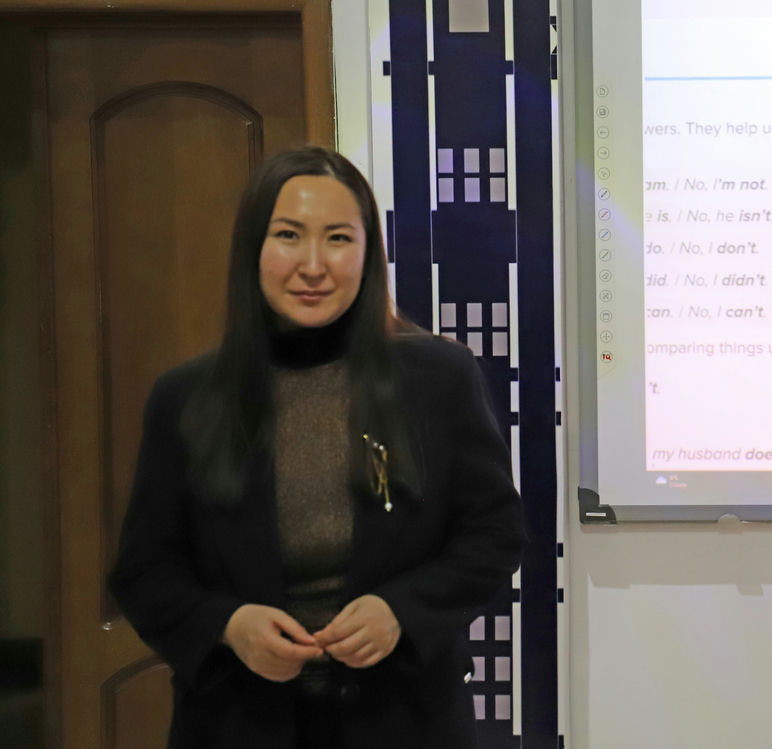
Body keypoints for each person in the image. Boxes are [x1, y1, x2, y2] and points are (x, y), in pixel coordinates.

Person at [108, 147, 526, 749]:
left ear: (368, 253)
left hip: (406, 719)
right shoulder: (186, 396)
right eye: (288, 236)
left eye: (338, 239)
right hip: (238, 722)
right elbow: (144, 571)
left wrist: (401, 612)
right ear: (253, 250)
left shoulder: (439, 377)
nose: (312, 265)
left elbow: (494, 535)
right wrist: (228, 625)